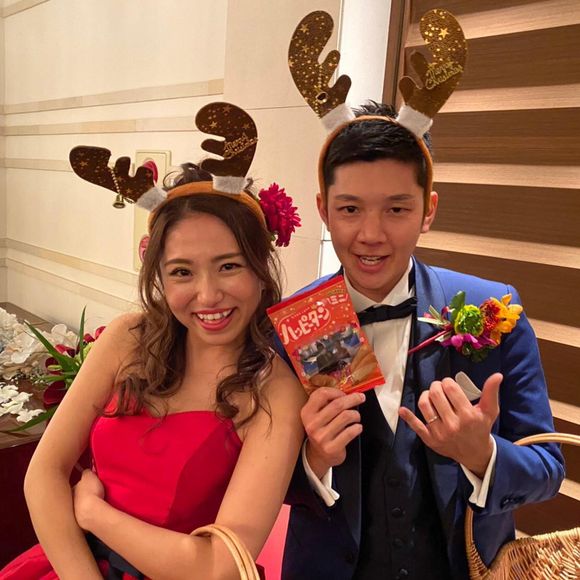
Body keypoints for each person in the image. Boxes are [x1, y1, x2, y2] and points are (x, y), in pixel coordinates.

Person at [280, 99, 565, 580]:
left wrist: (482, 454)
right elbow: (258, 481)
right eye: (350, 209)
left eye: (396, 209)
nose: (371, 234)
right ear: (323, 210)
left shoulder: (493, 310)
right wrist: (314, 460)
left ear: (428, 210)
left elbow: (547, 470)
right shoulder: (302, 321)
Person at [1, 157, 305, 579]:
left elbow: (219, 565)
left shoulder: (276, 391)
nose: (207, 295)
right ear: (159, 275)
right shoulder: (128, 338)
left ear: (260, 266)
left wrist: (93, 514)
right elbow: (45, 473)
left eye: (229, 266)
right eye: (182, 272)